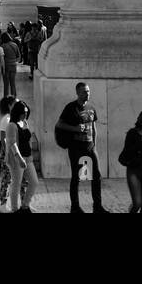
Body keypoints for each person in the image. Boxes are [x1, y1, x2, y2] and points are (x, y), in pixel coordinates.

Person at [56, 82, 108, 214]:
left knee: (96, 176)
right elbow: (59, 124)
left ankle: (97, 206)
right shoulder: (71, 107)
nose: (87, 94)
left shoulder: (91, 108)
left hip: (90, 147)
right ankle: (75, 207)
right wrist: (75, 128)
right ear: (78, 93)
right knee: (77, 177)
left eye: (89, 91)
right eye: (84, 91)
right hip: (76, 148)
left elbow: (94, 127)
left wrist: (94, 145)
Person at [7, 100, 38, 214]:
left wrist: (30, 156)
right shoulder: (11, 125)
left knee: (34, 182)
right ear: (18, 112)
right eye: (23, 112)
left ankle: (25, 206)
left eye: (27, 112)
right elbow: (12, 143)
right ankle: (15, 209)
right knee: (16, 183)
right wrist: (19, 159)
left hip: (27, 157)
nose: (26, 114)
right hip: (16, 159)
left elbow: (28, 140)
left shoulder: (24, 122)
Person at [0, 95, 19, 212]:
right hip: (8, 155)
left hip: (14, 154)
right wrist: (8, 155)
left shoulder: (14, 118)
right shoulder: (7, 119)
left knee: (15, 180)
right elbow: (3, 139)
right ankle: (3, 206)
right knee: (7, 179)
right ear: (10, 106)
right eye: (16, 104)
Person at [1, 34, 20, 98]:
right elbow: (18, 56)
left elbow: (1, 58)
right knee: (13, 83)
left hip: (6, 66)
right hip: (13, 65)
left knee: (6, 84)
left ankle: (6, 99)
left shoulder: (3, 46)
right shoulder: (15, 45)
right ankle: (14, 98)